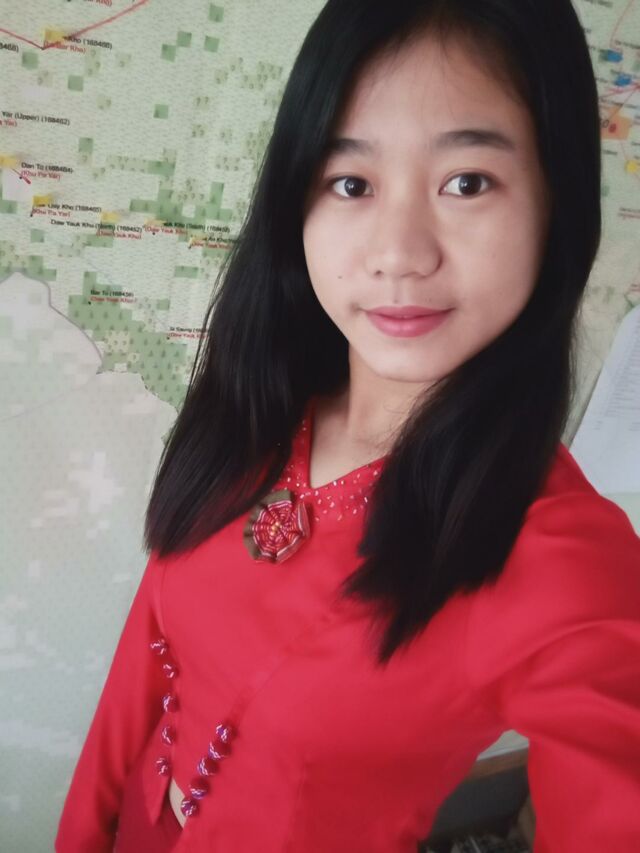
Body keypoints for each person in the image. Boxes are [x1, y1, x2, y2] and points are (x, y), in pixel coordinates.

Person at [55, 0, 640, 850]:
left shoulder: (563, 559)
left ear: (558, 204)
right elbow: (147, 647)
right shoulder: (263, 402)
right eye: (352, 183)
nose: (398, 252)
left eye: (467, 182)